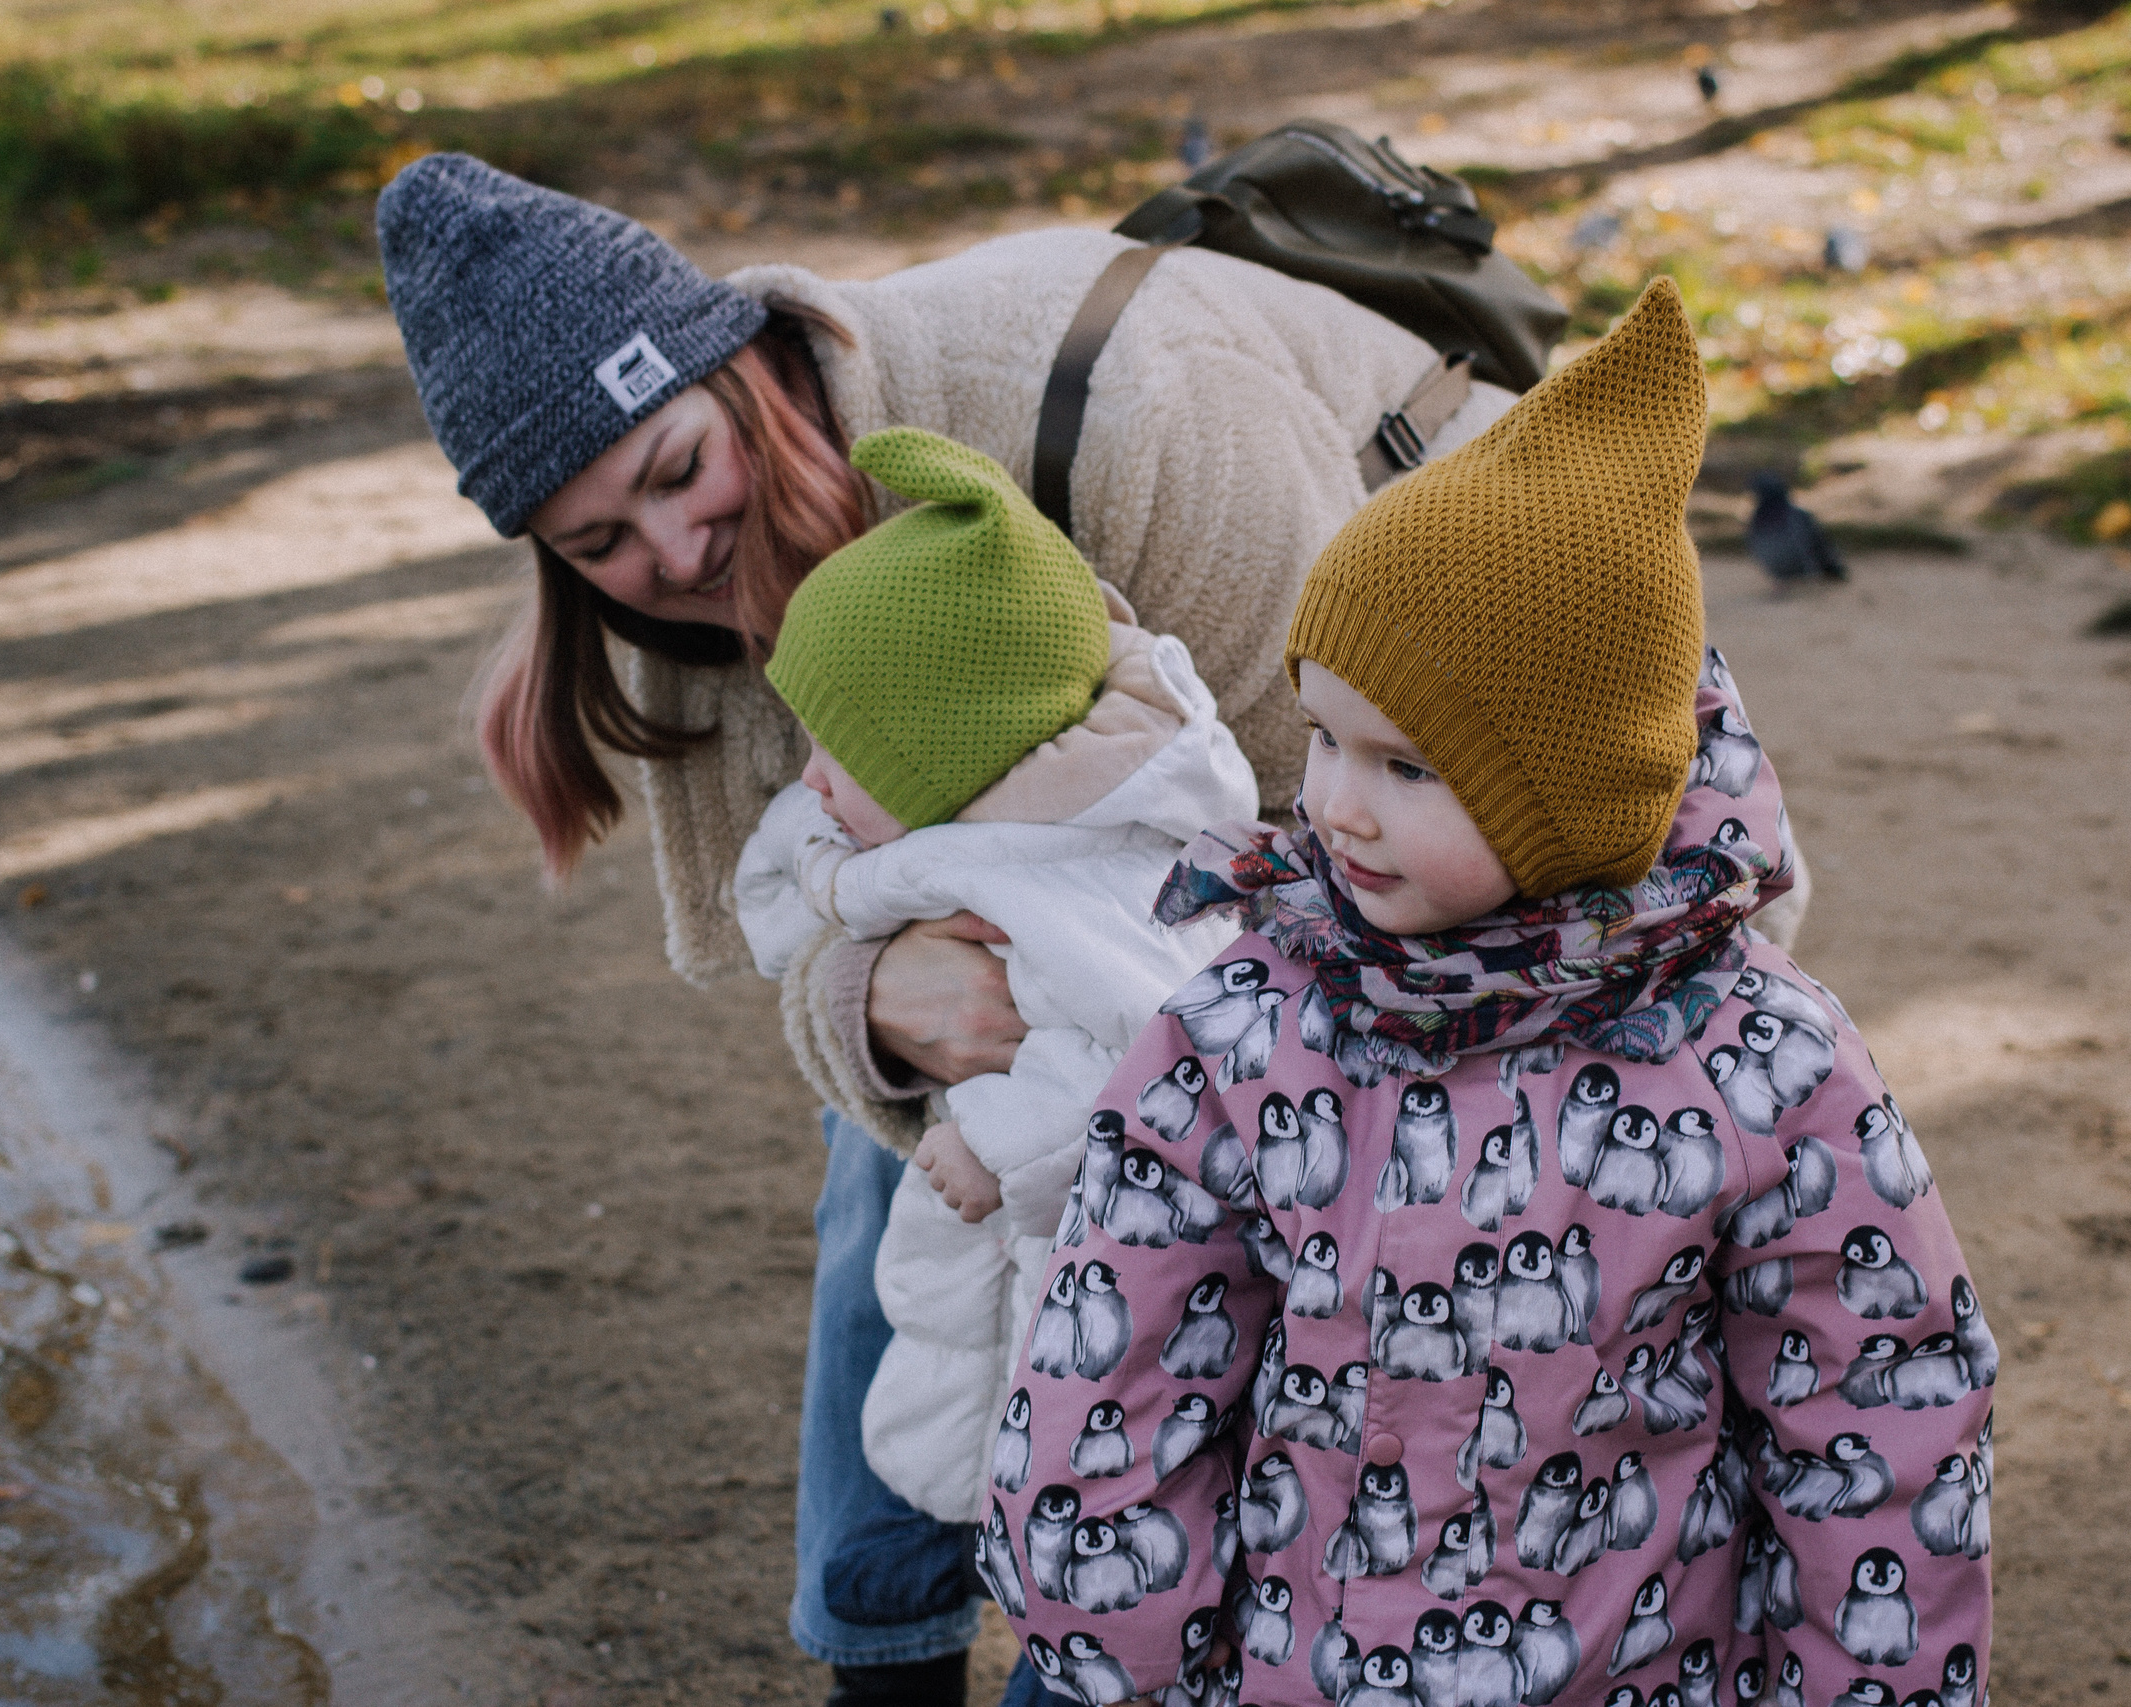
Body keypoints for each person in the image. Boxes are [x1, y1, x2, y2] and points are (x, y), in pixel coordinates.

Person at [375, 154, 1815, 1705]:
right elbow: (798, 923)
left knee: (1217, 1228)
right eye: (595, 542)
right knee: (912, 1161)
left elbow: (1336, 832)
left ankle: (1119, 1653)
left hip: (1457, 759)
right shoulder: (684, 591)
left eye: (673, 472)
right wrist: (881, 999)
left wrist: (1120, 1076)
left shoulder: (1128, 411)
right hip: (1153, 829)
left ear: (745, 369)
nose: (666, 555)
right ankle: (883, 1652)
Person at [992, 282, 1990, 1706]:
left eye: (1406, 765)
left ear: (1569, 796)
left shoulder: (1763, 1065)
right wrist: (1124, 1655)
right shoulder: (1250, 1024)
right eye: (1322, 733)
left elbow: (1881, 1413)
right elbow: (1121, 1358)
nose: (1334, 802)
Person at [737, 422, 1259, 1550]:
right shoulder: (959, 813)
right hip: (990, 1240)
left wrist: (1004, 1144)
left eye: (842, 758)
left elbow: (1151, 1037)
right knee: (959, 1396)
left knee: (1073, 1447)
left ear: (955, 759)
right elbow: (797, 872)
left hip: (1095, 1244)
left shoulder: (1090, 866)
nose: (810, 781)